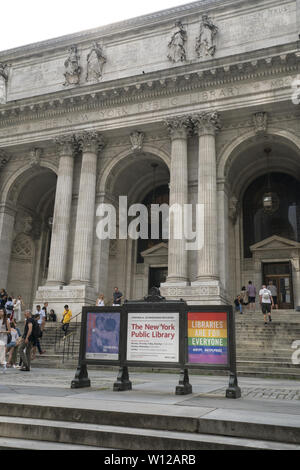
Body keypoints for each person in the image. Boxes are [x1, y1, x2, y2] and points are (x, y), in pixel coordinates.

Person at [0, 308, 11, 373]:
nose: (0, 312)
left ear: (4, 313)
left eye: (1, 311)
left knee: (2, 352)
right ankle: (3, 364)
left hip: (3, 337)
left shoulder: (6, 320)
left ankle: (4, 364)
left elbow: (9, 331)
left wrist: (2, 332)